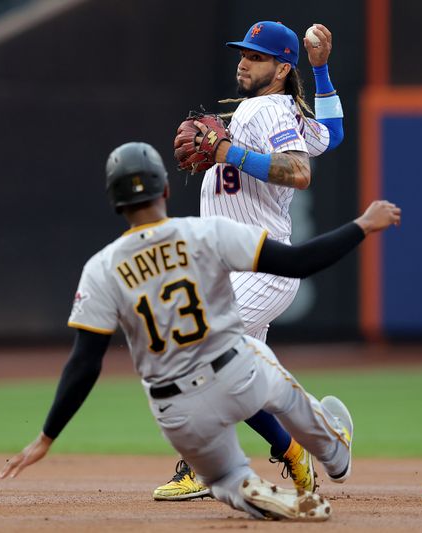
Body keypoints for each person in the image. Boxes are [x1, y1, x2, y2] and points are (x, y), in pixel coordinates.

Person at [0, 141, 401, 521]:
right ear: (166, 189)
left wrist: (46, 437)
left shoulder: (101, 269)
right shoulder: (207, 233)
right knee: (283, 389)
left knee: (222, 478)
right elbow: (299, 263)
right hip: (237, 374)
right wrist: (363, 225)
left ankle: (241, 487)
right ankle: (334, 453)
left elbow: (84, 363)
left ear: (115, 201)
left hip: (176, 412)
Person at [155, 20, 345, 500]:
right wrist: (321, 72)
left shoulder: (266, 110)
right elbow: (333, 136)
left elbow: (300, 172)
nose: (244, 61)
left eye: (257, 56)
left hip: (260, 266)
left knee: (204, 351)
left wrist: (226, 150)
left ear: (282, 68)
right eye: (243, 53)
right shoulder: (274, 110)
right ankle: (299, 453)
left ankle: (200, 467)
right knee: (245, 385)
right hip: (233, 268)